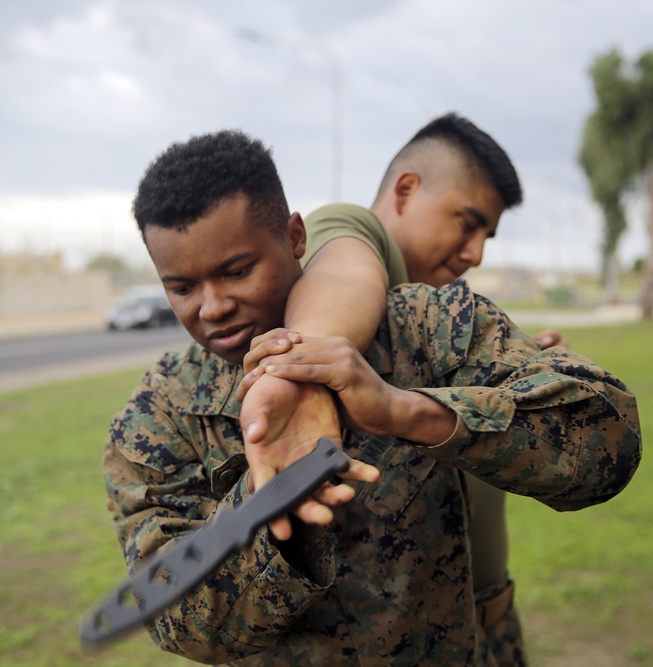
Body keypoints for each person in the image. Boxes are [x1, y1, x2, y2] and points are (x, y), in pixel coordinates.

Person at [102, 129, 642, 665]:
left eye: (237, 271)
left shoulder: (427, 327)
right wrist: (270, 504)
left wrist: (404, 411)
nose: (213, 306)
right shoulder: (160, 411)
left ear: (295, 238)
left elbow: (608, 436)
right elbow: (177, 619)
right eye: (182, 287)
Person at [239, 113, 558, 665]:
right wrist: (302, 371)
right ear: (406, 190)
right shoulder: (353, 231)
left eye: (488, 235)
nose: (476, 252)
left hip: (490, 626)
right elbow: (343, 276)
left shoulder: (432, 306)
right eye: (467, 222)